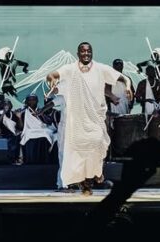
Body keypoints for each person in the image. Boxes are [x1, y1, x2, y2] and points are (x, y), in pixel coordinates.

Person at [46, 42, 123, 194]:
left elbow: (100, 88)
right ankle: (63, 185)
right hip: (67, 127)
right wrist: (50, 91)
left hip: (81, 127)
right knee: (65, 155)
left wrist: (112, 97)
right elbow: (54, 94)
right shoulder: (67, 83)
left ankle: (85, 180)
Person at [17, 93, 55, 164]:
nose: (31, 102)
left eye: (33, 100)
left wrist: (41, 114)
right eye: (29, 100)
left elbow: (49, 122)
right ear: (26, 102)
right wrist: (19, 117)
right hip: (29, 130)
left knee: (46, 134)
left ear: (37, 101)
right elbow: (21, 128)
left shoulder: (42, 110)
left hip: (42, 130)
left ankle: (45, 160)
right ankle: (29, 160)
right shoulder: (23, 112)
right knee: (27, 135)